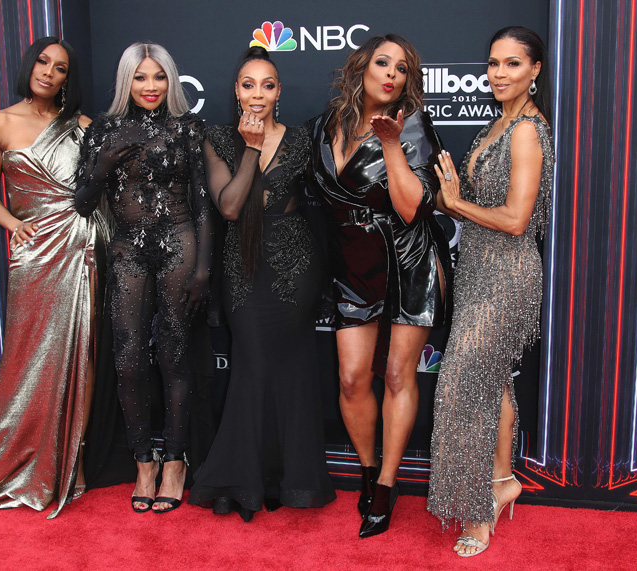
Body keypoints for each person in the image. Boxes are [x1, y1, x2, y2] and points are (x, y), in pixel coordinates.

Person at [309, 34, 450, 538]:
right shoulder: (328, 123)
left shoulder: (412, 125)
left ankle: (388, 485)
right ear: (361, 68)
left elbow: (413, 208)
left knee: (395, 376)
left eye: (403, 68)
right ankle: (367, 469)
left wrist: (391, 143)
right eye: (382, 63)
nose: (391, 74)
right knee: (351, 378)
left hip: (407, 259)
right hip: (352, 262)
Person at [187, 47, 337, 521]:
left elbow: (328, 197)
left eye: (267, 85)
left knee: (292, 374)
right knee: (251, 371)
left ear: (279, 92)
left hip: (296, 264)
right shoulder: (216, 138)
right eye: (248, 84)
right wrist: (251, 148)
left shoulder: (301, 140)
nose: (257, 94)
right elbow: (229, 206)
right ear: (236, 90)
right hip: (243, 265)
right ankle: (242, 479)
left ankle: (289, 481)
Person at [427, 26, 554, 557]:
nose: (499, 73)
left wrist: (456, 205)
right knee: (493, 382)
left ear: (534, 71)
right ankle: (503, 481)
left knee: (463, 388)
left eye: (512, 64)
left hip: (507, 275)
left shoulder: (525, 130)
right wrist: (448, 196)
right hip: (479, 270)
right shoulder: (497, 123)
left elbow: (517, 219)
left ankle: (476, 513)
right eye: (493, 64)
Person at [0, 37, 106, 518]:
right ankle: (16, 461)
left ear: (70, 79)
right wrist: (15, 225)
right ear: (30, 65)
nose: (50, 72)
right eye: (44, 62)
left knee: (80, 355)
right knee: (25, 361)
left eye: (61, 68)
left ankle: (74, 462)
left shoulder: (85, 128)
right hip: (32, 253)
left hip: (81, 248)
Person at [75, 42, 213, 513]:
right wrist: (103, 164)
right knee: (129, 359)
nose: (150, 87)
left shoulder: (189, 128)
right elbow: (83, 202)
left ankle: (174, 460)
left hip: (179, 241)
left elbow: (201, 204)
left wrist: (202, 268)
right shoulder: (104, 129)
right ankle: (143, 462)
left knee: (175, 356)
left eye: (158, 77)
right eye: (140, 77)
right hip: (127, 248)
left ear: (170, 80)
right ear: (126, 81)